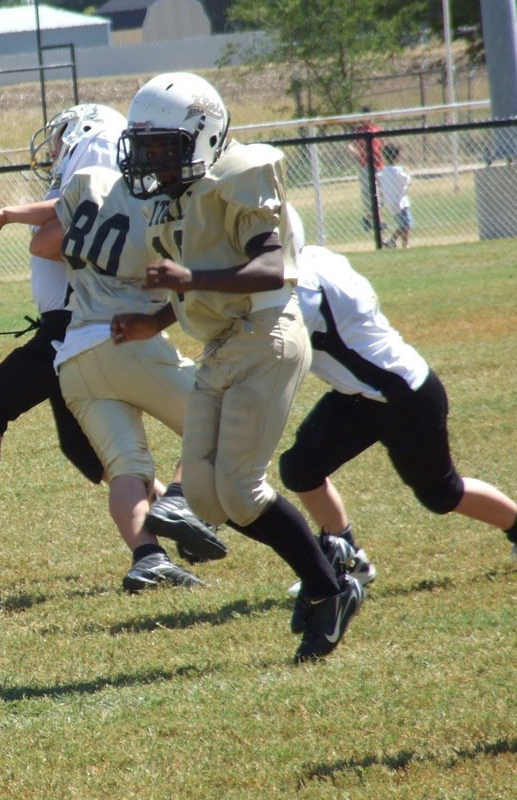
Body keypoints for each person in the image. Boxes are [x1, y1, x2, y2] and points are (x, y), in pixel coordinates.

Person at [0, 105, 222, 576]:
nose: (52, 151)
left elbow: (53, 234)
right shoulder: (107, 180)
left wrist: (8, 215)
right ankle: (161, 540)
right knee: (92, 449)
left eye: (59, 140)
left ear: (86, 135)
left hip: (78, 325)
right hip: (81, 328)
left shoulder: (102, 170)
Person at [109, 72, 363, 663]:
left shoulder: (241, 174)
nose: (153, 161)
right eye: (145, 148)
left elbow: (271, 268)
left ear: (201, 136)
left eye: (163, 147)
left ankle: (330, 592)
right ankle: (328, 564)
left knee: (241, 491)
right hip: (225, 343)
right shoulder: (178, 198)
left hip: (267, 336)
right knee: (203, 495)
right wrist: (156, 321)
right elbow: (200, 284)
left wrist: (188, 280)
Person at [279, 238, 517, 592]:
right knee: (301, 468)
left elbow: (279, 349)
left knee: (441, 493)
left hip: (401, 396)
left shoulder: (305, 288)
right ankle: (348, 560)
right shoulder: (314, 258)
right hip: (360, 394)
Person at [350, 109, 385, 234]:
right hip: (365, 166)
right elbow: (350, 145)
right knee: (370, 193)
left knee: (380, 193)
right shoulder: (359, 131)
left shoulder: (377, 129)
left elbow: (382, 145)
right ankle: (379, 222)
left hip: (379, 165)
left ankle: (369, 218)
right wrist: (358, 153)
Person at [377, 143, 412, 248]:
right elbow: (407, 181)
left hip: (391, 202)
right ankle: (404, 244)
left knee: (404, 224)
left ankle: (394, 241)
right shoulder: (398, 170)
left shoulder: (384, 171)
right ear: (396, 156)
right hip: (400, 202)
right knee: (406, 224)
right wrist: (408, 172)